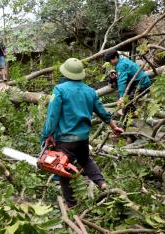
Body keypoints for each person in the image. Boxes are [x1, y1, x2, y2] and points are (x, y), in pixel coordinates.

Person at [42, 58, 124, 208]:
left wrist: (47, 135)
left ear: (65, 73)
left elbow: (52, 116)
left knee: (63, 171)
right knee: (86, 160)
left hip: (65, 140)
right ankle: (102, 184)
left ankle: (71, 206)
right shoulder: (90, 91)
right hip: (83, 139)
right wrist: (114, 127)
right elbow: (102, 111)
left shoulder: (59, 90)